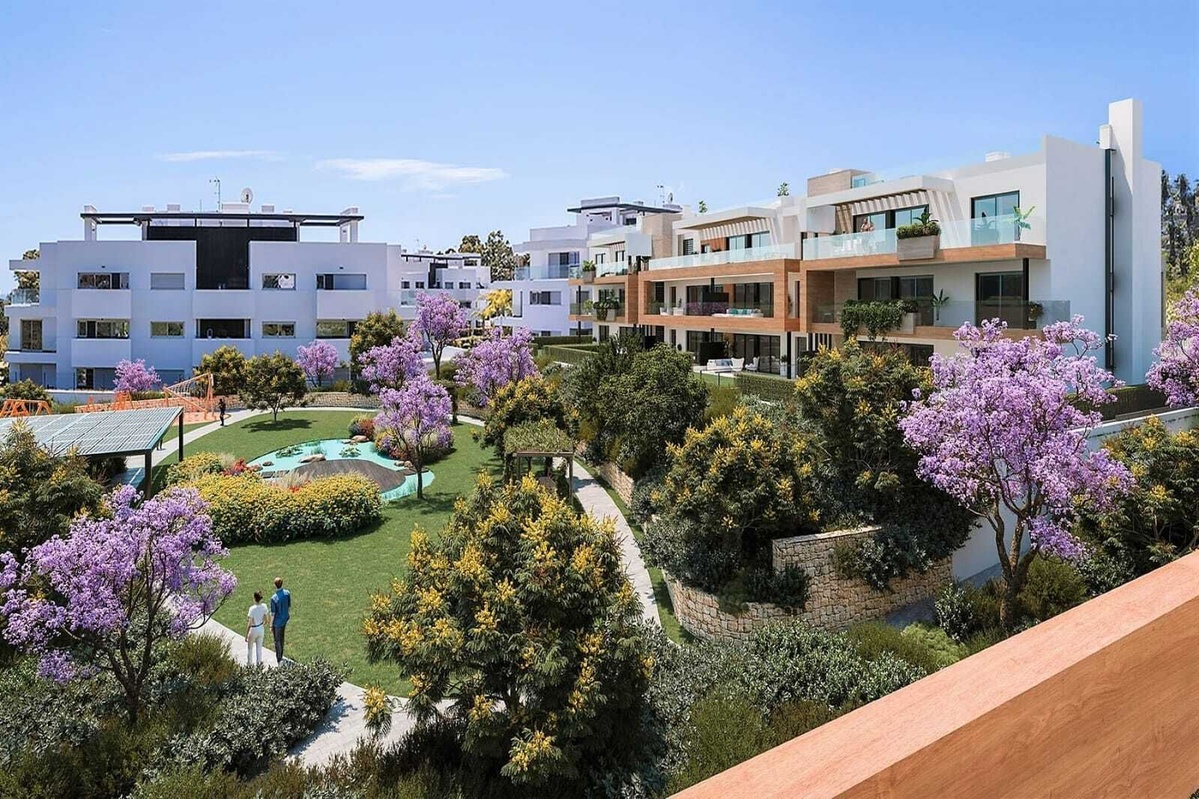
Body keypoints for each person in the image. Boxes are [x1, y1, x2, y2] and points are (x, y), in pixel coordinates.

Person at [269, 576, 291, 665]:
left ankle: (279, 658)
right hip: (284, 619)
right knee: (282, 637)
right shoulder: (287, 593)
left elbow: (273, 613)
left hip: (277, 623)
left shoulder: (273, 598)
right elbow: (288, 606)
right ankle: (281, 654)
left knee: (277, 640)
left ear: (275, 585)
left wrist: (271, 625)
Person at [245, 590, 268, 667]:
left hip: (253, 629)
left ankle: (249, 666)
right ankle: (259, 666)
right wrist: (261, 624)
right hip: (260, 628)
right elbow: (266, 620)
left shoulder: (252, 609)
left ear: (254, 598)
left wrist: (246, 635)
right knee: (259, 649)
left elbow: (250, 623)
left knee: (250, 649)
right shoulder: (264, 606)